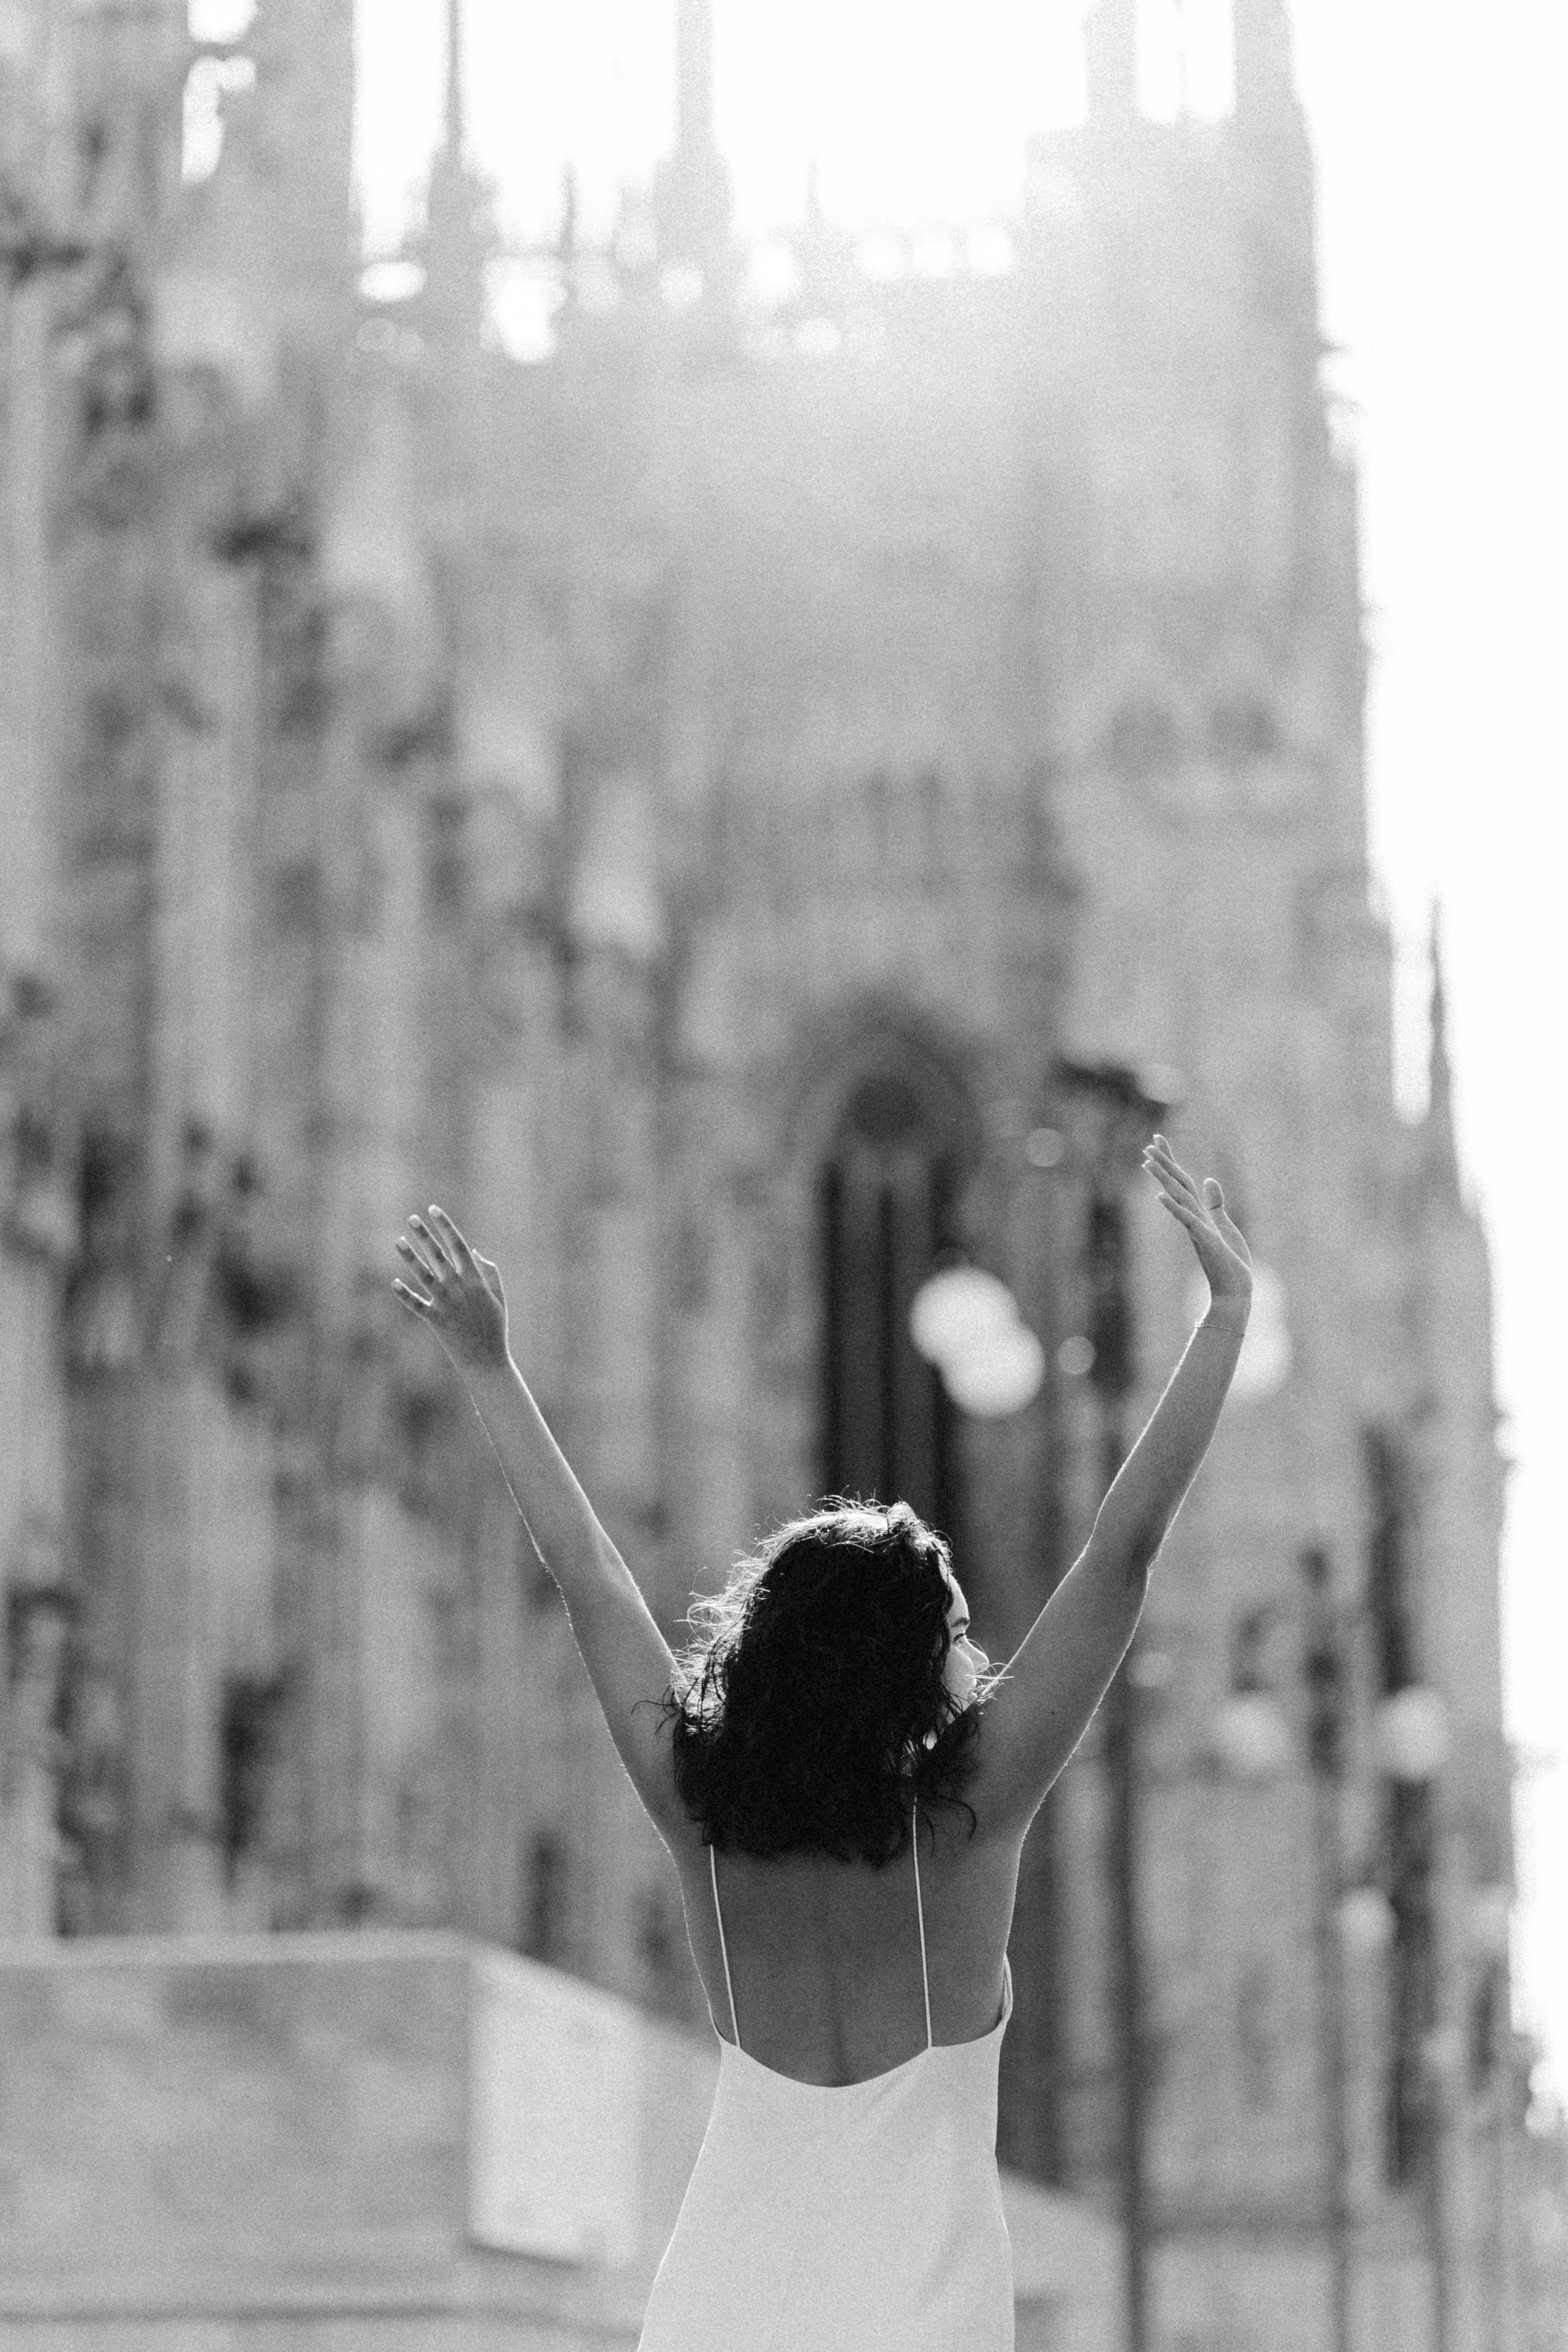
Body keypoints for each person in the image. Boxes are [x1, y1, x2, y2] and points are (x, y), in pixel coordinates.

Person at [392, 1133, 1253, 2351]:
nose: (976, 1653)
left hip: (718, 2311)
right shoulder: (970, 1822)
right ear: (912, 1663)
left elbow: (587, 1578)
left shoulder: (703, 1814)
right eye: (956, 1627)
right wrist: (1221, 1317)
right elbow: (1121, 1553)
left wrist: (485, 1360)